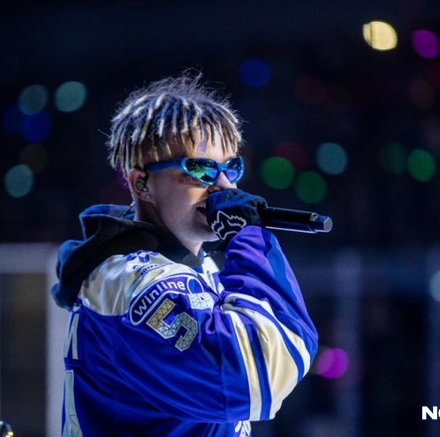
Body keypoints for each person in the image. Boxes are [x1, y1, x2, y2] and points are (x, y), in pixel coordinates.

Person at [51, 71, 318, 437]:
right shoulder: (132, 282)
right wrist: (248, 237)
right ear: (142, 184)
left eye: (231, 168)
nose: (223, 186)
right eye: (200, 169)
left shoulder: (196, 266)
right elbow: (259, 375)